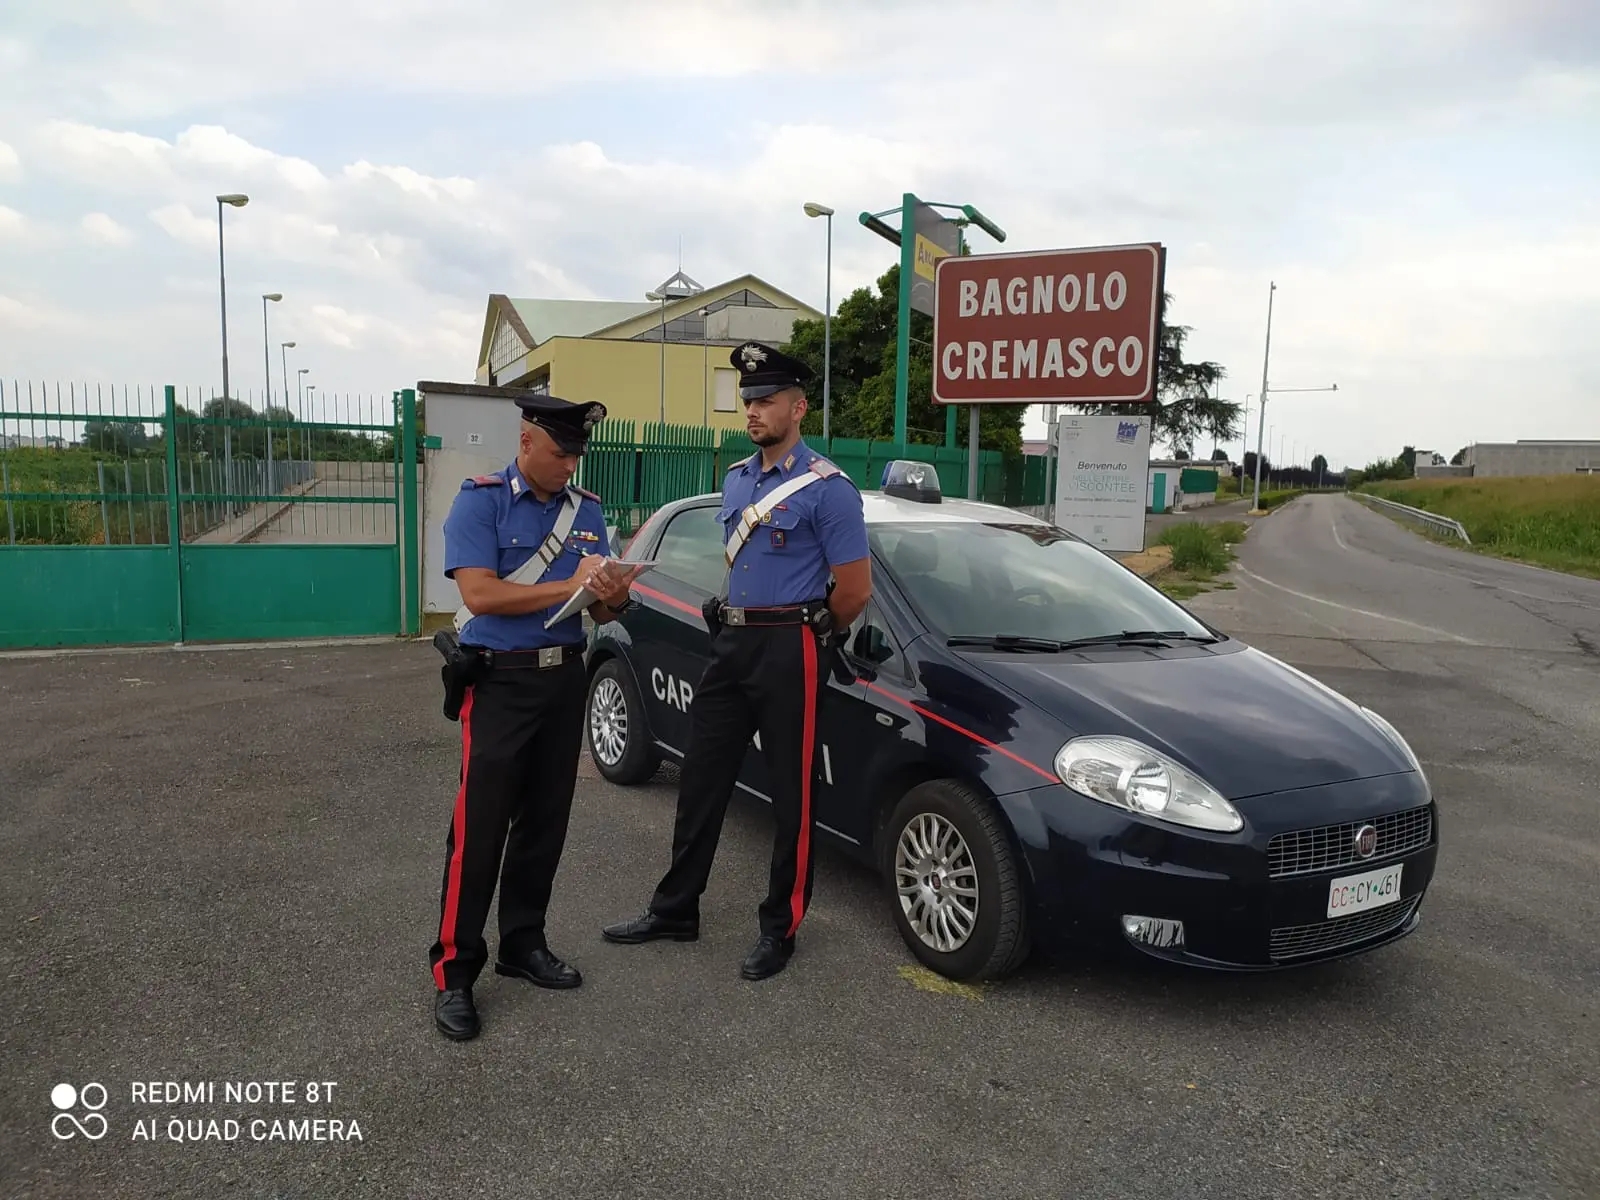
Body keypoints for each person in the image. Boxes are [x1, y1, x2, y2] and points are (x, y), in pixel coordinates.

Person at [602, 341, 872, 981]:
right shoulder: (737, 480)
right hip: (731, 642)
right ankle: (676, 909)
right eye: (748, 400)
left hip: (789, 646)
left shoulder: (829, 490)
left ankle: (779, 928)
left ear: (798, 407)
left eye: (766, 400)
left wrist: (812, 632)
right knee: (700, 777)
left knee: (791, 795)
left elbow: (854, 589)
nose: (753, 410)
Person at [429, 392, 639, 1041]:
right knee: (480, 831)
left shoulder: (588, 512)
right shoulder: (482, 498)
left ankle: (523, 943)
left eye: (576, 454)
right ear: (526, 442)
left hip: (562, 681)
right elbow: (480, 593)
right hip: (500, 683)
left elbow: (600, 613)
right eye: (559, 452)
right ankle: (455, 972)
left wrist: (614, 593)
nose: (569, 465)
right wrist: (568, 584)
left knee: (545, 823)